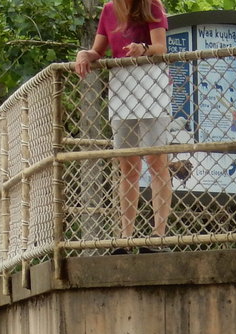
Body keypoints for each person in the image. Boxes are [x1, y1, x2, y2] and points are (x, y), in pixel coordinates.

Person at [75, 0, 173, 249]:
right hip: (122, 86)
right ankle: (125, 236)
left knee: (156, 161)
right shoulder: (109, 10)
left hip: (152, 82)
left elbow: (160, 47)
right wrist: (85, 54)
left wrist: (143, 48)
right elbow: (99, 50)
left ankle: (158, 235)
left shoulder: (151, 5)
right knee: (127, 164)